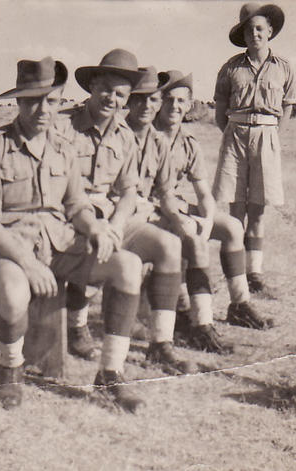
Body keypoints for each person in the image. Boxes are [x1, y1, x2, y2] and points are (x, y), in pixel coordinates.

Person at [0, 57, 144, 412]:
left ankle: (110, 375)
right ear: (17, 101)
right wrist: (27, 263)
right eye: (32, 100)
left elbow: (76, 204)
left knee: (127, 266)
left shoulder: (63, 148)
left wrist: (95, 227)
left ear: (61, 102)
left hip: (59, 241)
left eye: (51, 100)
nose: (42, 109)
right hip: (8, 245)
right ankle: (10, 371)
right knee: (16, 292)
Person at [53, 50, 193, 374]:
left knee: (169, 246)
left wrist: (116, 224)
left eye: (121, 94)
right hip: (67, 214)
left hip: (109, 213)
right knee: (110, 255)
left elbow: (129, 191)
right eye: (105, 90)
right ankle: (77, 327)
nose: (111, 99)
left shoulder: (125, 135)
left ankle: (161, 345)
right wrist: (95, 226)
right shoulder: (64, 125)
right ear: (91, 88)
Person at [154, 70, 274, 356]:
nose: (174, 107)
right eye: (168, 100)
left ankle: (240, 305)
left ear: (190, 104)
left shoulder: (187, 141)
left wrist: (207, 221)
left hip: (178, 205)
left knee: (233, 227)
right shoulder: (148, 136)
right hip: (153, 207)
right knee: (194, 238)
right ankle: (199, 322)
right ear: (158, 101)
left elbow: (204, 193)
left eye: (181, 101)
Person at [212, 3, 296, 294]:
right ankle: (233, 272)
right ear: (243, 34)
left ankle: (254, 273)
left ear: (270, 31)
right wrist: (235, 132)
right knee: (235, 208)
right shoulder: (231, 67)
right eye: (249, 29)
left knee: (258, 209)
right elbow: (220, 109)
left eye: (260, 28)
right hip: (235, 134)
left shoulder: (283, 68)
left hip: (267, 135)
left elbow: (287, 107)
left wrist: (273, 137)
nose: (254, 34)